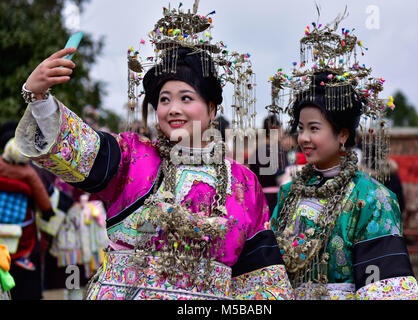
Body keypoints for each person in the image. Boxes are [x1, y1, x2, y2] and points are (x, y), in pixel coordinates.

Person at [15, 5, 292, 300]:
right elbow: (78, 148)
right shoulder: (133, 157)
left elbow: (261, 279)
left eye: (186, 98)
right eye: (164, 99)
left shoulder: (243, 183)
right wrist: (39, 99)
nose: (173, 109)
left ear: (212, 109)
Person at [270, 17, 418, 300]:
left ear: (342, 134)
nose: (303, 138)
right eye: (300, 128)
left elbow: (385, 289)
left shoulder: (373, 198)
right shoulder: (289, 194)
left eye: (314, 129)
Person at [0, 137, 55, 299]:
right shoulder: (29, 173)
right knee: (21, 256)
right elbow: (42, 196)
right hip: (21, 227)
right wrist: (47, 212)